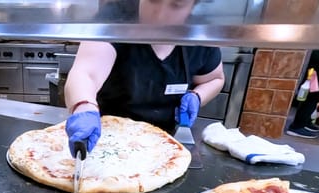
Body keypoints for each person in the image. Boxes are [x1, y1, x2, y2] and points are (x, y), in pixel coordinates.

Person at [64, 0, 225, 156]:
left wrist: (197, 96)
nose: (160, 15)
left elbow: (215, 79)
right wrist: (83, 106)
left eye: (177, 4)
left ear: (193, 5)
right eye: (152, 0)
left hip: (165, 146)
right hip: (106, 141)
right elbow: (86, 73)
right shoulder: (116, 17)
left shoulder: (199, 32)